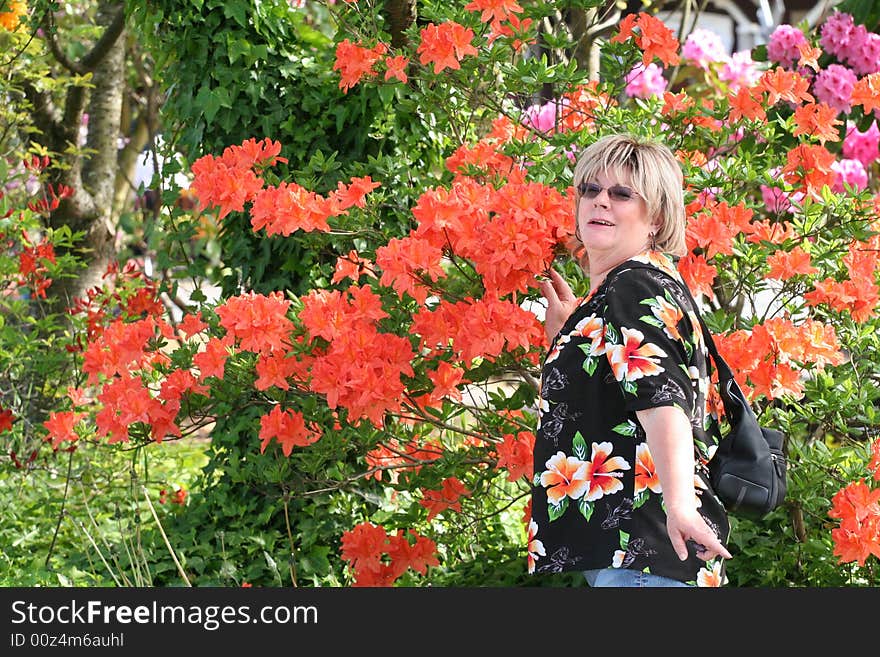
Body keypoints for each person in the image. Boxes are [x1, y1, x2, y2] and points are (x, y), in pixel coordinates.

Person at [530, 133, 732, 587]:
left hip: (648, 549)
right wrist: (567, 336)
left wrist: (679, 505)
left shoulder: (632, 287)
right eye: (590, 190)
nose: (600, 202)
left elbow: (663, 403)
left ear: (657, 217)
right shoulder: (642, 285)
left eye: (621, 193)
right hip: (642, 554)